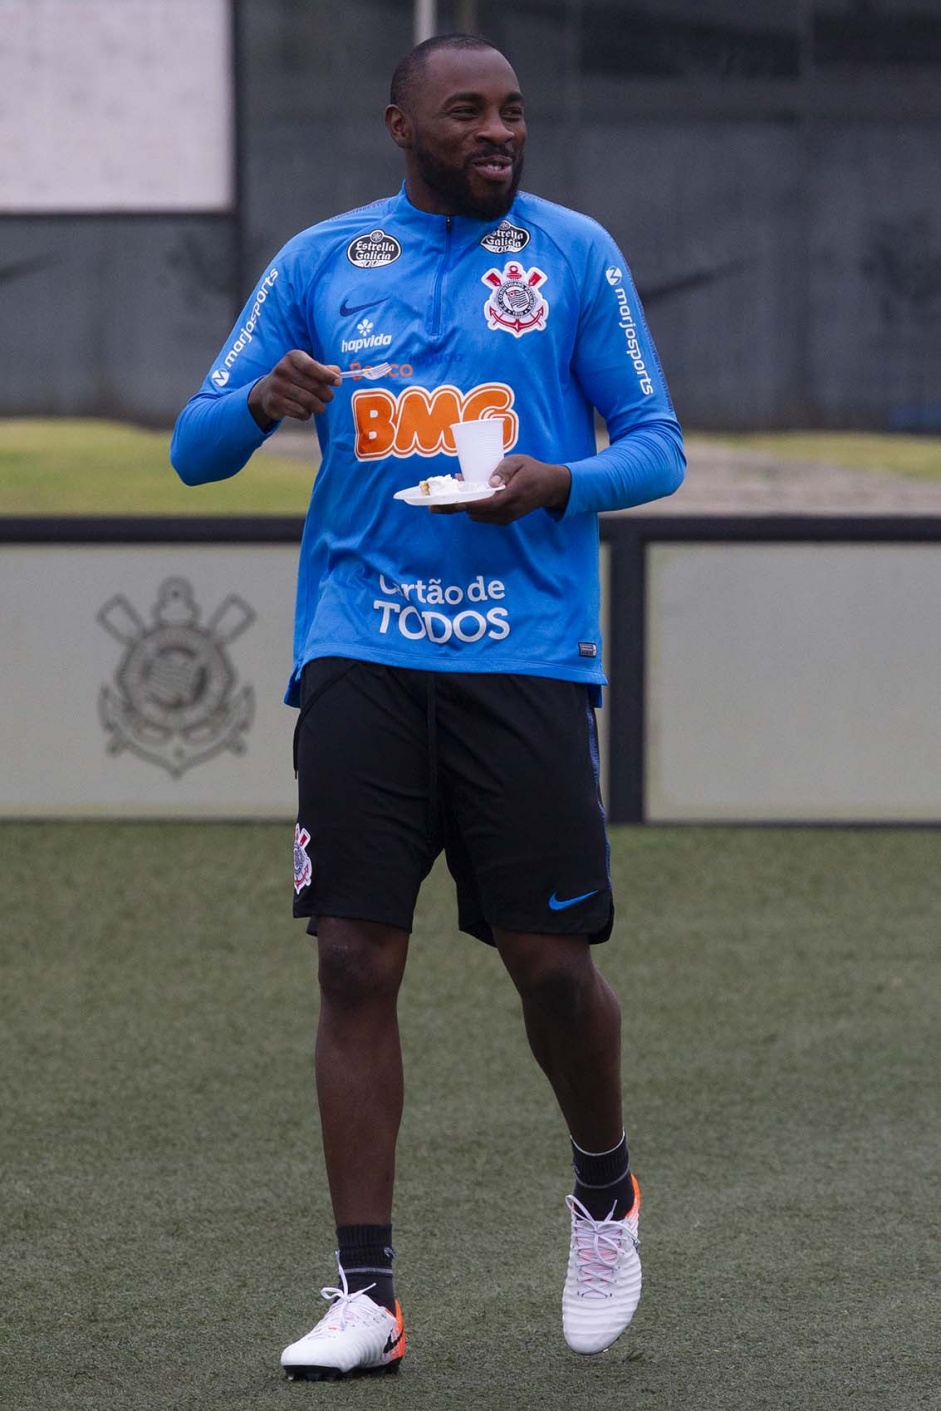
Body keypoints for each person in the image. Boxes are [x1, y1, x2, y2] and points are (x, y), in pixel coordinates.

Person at [171, 31, 684, 1381]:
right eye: (467, 113)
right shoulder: (323, 260)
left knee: (551, 971)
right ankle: (366, 1296)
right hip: (359, 650)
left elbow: (656, 446)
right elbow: (194, 449)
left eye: (511, 112)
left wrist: (554, 481)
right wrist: (261, 404)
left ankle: (601, 1194)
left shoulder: (573, 255)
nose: (497, 131)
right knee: (351, 958)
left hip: (525, 655)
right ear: (400, 123)